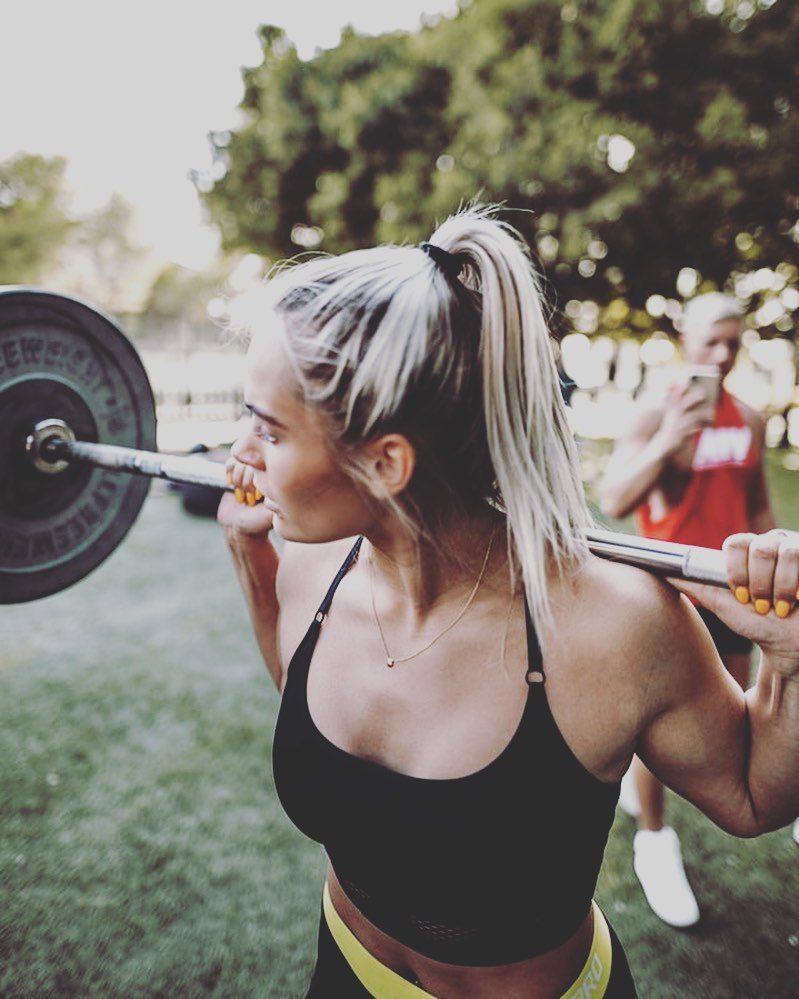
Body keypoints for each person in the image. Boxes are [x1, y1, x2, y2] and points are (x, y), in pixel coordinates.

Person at [217, 206, 799, 998]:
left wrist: (790, 661)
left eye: (269, 430)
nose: (239, 454)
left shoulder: (615, 623)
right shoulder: (310, 564)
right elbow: (305, 695)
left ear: (386, 460)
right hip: (343, 972)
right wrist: (252, 561)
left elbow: (749, 794)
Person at [597, 292, 782, 928]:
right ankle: (653, 839)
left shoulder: (750, 420)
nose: (724, 355)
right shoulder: (657, 410)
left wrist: (779, 575)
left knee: (727, 716)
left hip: (735, 593)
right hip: (671, 592)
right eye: (712, 342)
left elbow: (757, 509)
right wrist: (670, 438)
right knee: (665, 726)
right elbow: (616, 496)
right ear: (686, 339)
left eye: (734, 342)